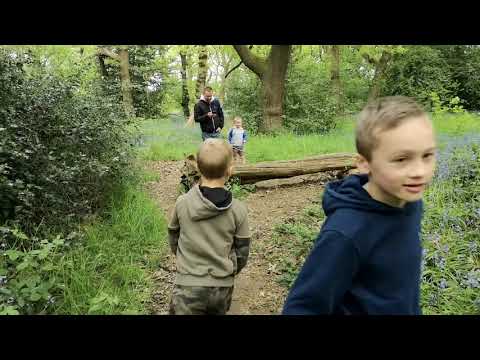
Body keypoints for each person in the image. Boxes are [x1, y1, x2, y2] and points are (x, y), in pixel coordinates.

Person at [282, 96, 437, 315]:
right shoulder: (346, 233)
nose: (419, 171)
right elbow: (302, 307)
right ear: (365, 163)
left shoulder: (410, 203)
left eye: (427, 155)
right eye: (401, 159)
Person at [168, 138, 251, 315]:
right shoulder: (238, 210)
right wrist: (229, 271)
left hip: (187, 285)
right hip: (221, 288)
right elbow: (242, 252)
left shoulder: (182, 203)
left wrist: (185, 260)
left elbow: (174, 238)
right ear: (230, 170)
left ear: (197, 166)